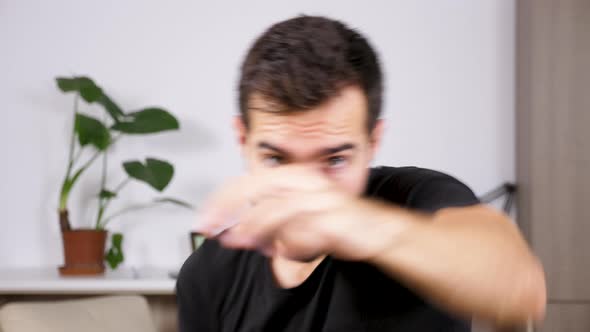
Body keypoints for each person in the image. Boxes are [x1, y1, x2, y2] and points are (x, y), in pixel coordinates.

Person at [176, 15, 546, 332]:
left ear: (373, 140)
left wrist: (348, 223)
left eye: (334, 161)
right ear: (243, 139)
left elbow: (519, 285)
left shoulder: (415, 198)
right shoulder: (209, 275)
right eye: (276, 160)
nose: (302, 192)